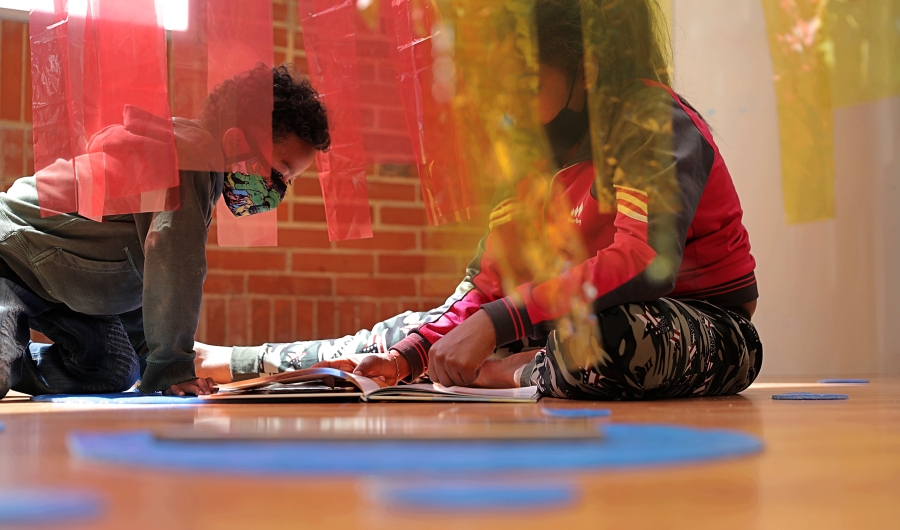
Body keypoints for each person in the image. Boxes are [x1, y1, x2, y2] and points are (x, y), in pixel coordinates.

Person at [196, 0, 762, 401]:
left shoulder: (647, 119)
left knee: (606, 343)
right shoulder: (526, 156)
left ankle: (503, 375)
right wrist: (410, 357)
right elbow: (488, 284)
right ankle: (228, 363)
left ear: (585, 70)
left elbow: (642, 263)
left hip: (694, 323)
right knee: (399, 342)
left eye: (523, 81)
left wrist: (497, 325)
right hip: (551, 318)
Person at [0, 64, 330, 398]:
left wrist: (151, 357)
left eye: (289, 181)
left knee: (112, 369)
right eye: (281, 172)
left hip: (58, 284)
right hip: (13, 256)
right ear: (235, 141)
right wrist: (171, 369)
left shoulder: (200, 170)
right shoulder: (189, 158)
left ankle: (11, 361)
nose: (280, 187)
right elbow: (174, 264)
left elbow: (133, 270)